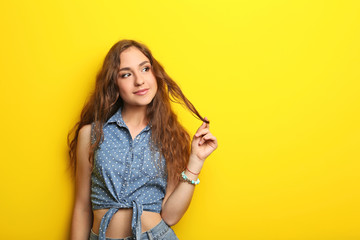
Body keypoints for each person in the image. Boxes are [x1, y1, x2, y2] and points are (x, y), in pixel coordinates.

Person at [68, 39, 218, 240]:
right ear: (114, 82)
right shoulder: (92, 134)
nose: (139, 80)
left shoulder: (171, 136)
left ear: (155, 74)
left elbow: (170, 215)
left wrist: (196, 161)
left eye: (145, 69)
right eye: (126, 74)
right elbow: (82, 207)